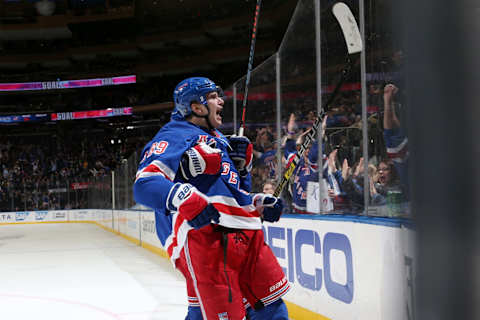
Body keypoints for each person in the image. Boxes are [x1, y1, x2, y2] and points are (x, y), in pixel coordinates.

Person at [133, 77, 289, 320]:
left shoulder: (222, 141)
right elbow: (144, 185)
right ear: (197, 107)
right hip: (209, 239)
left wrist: (257, 200)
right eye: (214, 96)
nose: (222, 100)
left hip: (247, 236)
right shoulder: (176, 134)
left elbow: (233, 194)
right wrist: (184, 196)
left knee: (272, 310)